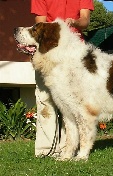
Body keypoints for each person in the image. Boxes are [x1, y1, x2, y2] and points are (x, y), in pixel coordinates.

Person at [31, 0, 94, 158]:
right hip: (48, 50)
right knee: (45, 98)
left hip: (74, 53)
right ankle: (46, 150)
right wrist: (58, 27)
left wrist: (74, 22)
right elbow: (40, 24)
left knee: (74, 104)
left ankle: (68, 148)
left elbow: (85, 20)